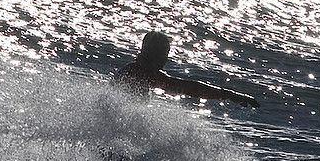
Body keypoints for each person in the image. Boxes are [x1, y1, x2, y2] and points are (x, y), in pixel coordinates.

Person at [111, 31, 259, 107]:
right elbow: (189, 88)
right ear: (153, 54)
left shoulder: (133, 70)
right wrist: (232, 96)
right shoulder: (139, 73)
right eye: (164, 54)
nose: (165, 59)